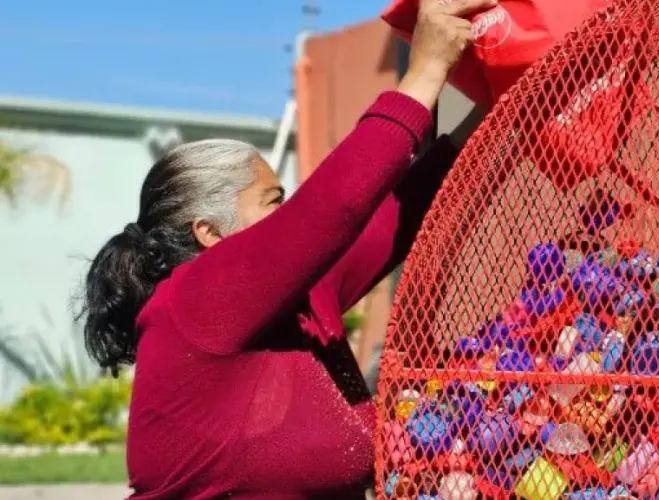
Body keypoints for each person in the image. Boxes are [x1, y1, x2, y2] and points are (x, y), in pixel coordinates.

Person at [78, 0, 495, 497]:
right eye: (273, 201)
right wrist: (425, 69)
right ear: (209, 232)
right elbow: (332, 208)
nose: (289, 215)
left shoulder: (296, 301)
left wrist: (497, 105)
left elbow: (392, 216)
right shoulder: (195, 301)